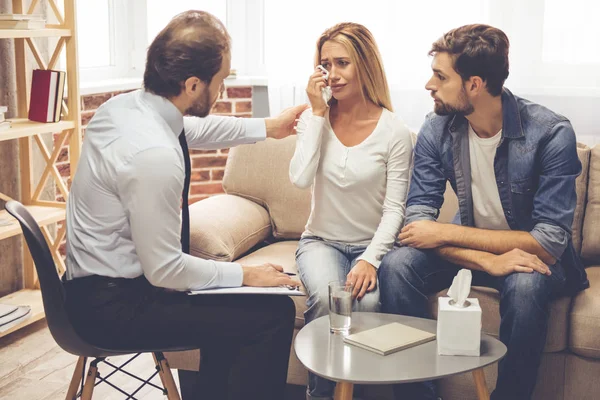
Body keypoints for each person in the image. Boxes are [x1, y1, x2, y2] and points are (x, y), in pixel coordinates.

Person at [64, 10, 307, 400]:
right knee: (270, 316)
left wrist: (269, 127)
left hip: (88, 291)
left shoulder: (126, 108)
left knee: (234, 314)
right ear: (194, 84)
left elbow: (193, 128)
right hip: (112, 308)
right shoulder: (153, 156)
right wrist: (246, 275)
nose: (224, 88)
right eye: (222, 79)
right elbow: (166, 272)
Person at [378, 24, 589, 400]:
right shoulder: (437, 127)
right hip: (477, 254)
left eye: (441, 76)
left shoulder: (551, 133)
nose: (430, 85)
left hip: (531, 258)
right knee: (397, 266)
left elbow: (549, 241)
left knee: (526, 285)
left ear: (474, 84)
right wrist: (485, 260)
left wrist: (447, 233)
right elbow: (416, 224)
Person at [290, 22, 413, 400]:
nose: (332, 74)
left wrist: (371, 260)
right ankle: (321, 395)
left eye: (342, 62)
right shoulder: (314, 120)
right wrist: (315, 114)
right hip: (320, 242)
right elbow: (299, 178)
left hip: (368, 247)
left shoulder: (396, 132)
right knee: (330, 299)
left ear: (365, 65)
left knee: (369, 303)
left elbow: (395, 210)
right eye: (325, 64)